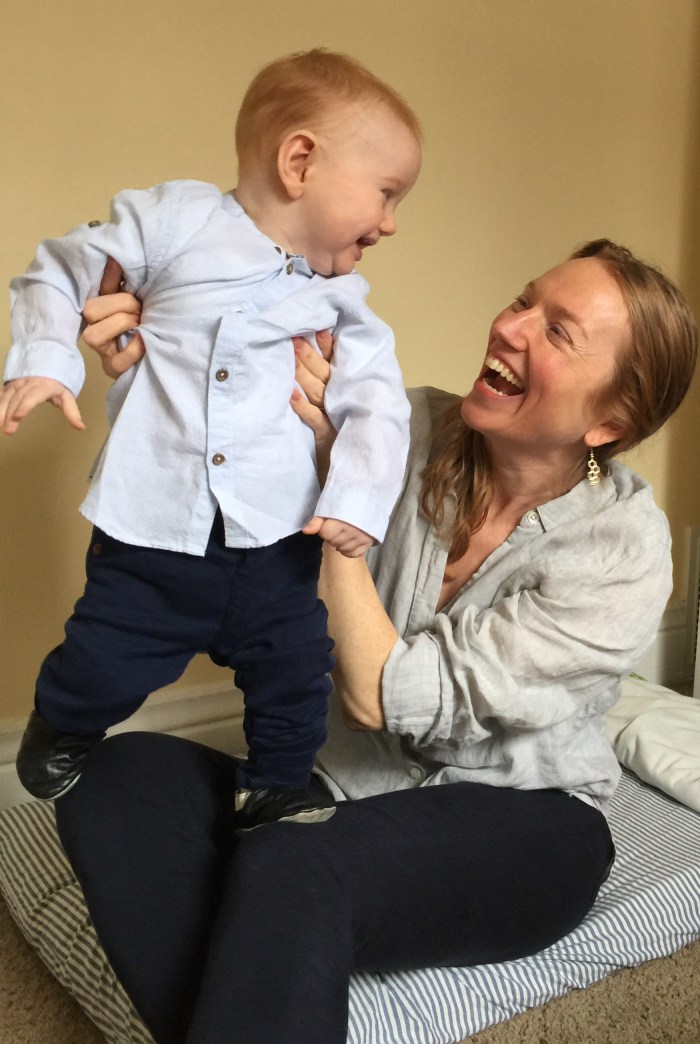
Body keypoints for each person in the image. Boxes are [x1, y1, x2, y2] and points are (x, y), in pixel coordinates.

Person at [53, 240, 697, 1043]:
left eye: (558, 331)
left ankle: (275, 936)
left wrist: (342, 500)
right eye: (523, 300)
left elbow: (381, 696)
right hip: (335, 785)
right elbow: (225, 468)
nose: (510, 326)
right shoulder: (399, 422)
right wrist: (161, 373)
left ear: (610, 422)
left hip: (529, 822)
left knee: (293, 855)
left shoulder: (623, 546)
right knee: (114, 775)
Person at [0, 49, 422, 828]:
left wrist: (357, 499)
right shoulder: (175, 221)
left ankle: (277, 785)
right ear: (300, 162)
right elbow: (60, 270)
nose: (391, 222)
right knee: (105, 655)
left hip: (276, 540)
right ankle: (63, 722)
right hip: (155, 528)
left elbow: (379, 406)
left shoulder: (344, 301)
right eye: (386, 193)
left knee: (297, 669)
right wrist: (47, 359)